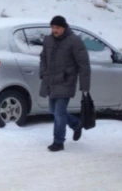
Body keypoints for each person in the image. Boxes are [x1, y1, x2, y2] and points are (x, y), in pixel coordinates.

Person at [39, 16, 91, 152]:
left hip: (66, 81)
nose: (55, 30)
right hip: (51, 80)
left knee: (59, 113)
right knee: (53, 110)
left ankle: (58, 141)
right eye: (53, 27)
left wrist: (85, 87)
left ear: (64, 27)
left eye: (58, 28)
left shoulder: (74, 41)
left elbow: (84, 65)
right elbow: (43, 57)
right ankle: (76, 124)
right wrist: (43, 72)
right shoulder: (48, 40)